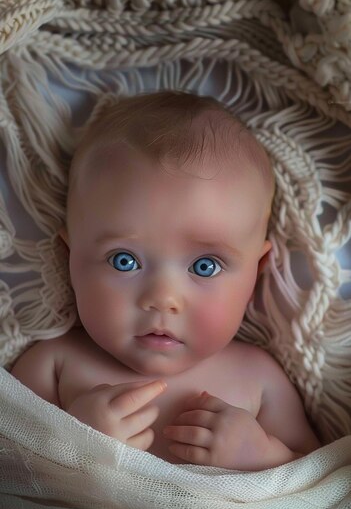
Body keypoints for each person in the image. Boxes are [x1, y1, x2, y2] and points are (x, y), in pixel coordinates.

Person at [11, 91, 321, 470]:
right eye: (124, 261)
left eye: (205, 266)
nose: (163, 299)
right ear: (69, 256)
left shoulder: (258, 378)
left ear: (255, 274)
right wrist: (73, 441)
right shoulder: (53, 365)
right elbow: (12, 476)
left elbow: (318, 482)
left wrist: (263, 458)